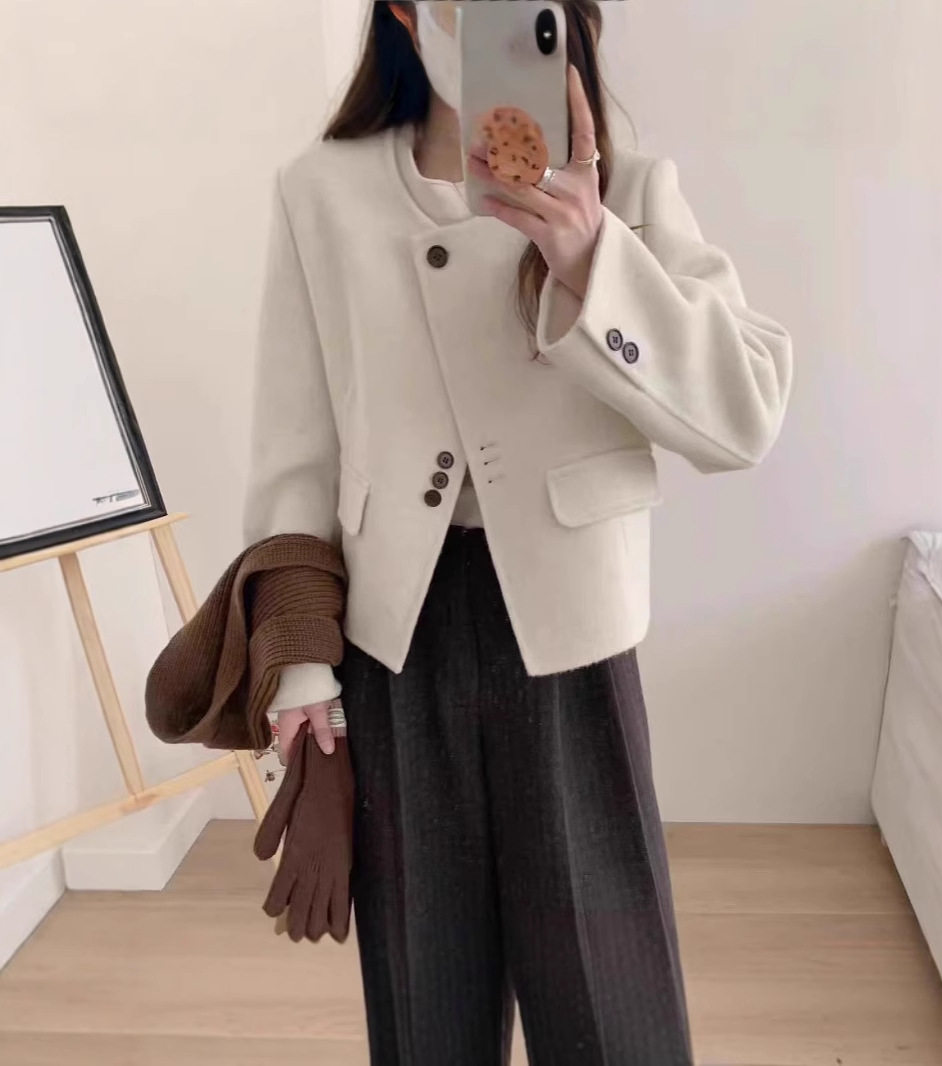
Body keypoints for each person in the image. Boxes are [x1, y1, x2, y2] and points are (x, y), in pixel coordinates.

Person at [241, 2, 793, 1062]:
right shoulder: (321, 192)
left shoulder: (626, 187)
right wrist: (303, 676)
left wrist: (593, 256)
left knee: (613, 1013)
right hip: (395, 640)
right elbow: (293, 455)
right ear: (407, 14)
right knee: (426, 1009)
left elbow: (746, 413)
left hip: (569, 635)